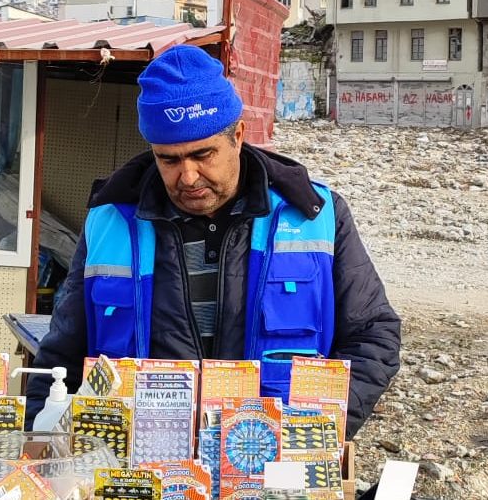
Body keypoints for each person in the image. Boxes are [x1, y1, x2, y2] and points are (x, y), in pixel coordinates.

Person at [25, 44, 401, 439]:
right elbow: (61, 355)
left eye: (203, 154)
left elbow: (374, 335)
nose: (187, 177)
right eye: (169, 160)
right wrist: (42, 445)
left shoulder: (316, 216)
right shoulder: (108, 223)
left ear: (237, 136)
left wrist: (316, 435)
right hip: (142, 474)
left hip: (271, 465)